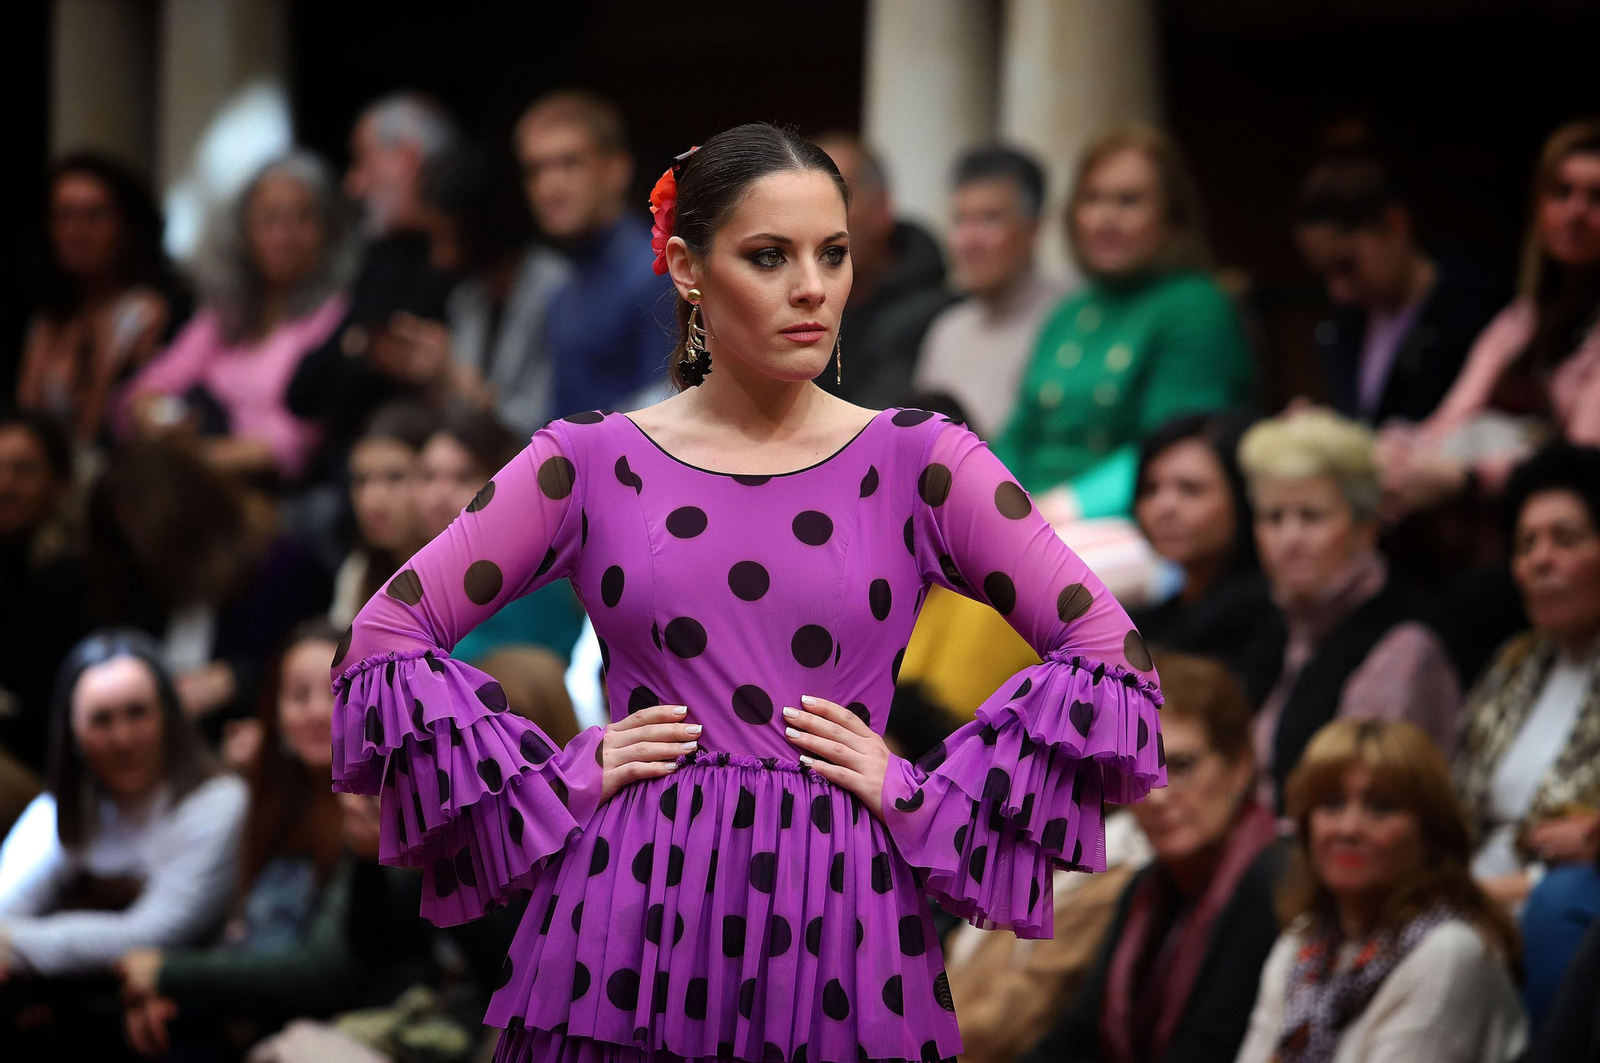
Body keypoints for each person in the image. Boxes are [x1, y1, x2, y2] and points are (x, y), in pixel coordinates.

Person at [328, 123, 1166, 1063]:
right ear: (688, 267)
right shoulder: (588, 460)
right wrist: (561, 777)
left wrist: (918, 794)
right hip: (631, 905)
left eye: (833, 253)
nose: (812, 287)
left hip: (838, 906)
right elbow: (383, 635)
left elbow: (1111, 654)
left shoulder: (921, 460)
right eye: (770, 256)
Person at [114, 620, 418, 1059]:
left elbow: (320, 973)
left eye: (336, 693)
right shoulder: (271, 800)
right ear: (275, 712)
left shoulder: (382, 805)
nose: (317, 712)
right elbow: (239, 934)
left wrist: (169, 974)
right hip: (252, 1019)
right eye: (298, 696)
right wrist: (173, 996)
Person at [1022, 654, 1282, 1063]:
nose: (1157, 797)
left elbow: (1205, 1052)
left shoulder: (1273, 881)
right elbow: (1075, 1040)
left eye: (1181, 766)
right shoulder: (1143, 887)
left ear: (1239, 768)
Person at [0, 631, 247, 1054]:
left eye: (138, 713)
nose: (122, 738)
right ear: (73, 731)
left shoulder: (218, 802)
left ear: (169, 716)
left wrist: (16, 946)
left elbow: (154, 932)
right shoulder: (61, 808)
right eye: (101, 720)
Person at [993, 124, 1254, 525]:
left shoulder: (1196, 306)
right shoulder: (1068, 313)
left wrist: (1055, 511)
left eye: (1128, 201)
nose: (1106, 218)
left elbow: (1173, 449)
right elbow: (1019, 434)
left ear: (1171, 218)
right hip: (1031, 517)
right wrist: (990, 501)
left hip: (1132, 521)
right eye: (1092, 199)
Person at [1236, 720, 1525, 1063]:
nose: (1349, 828)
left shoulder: (1449, 954)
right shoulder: (1300, 943)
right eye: (1331, 804)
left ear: (1431, 831)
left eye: (1381, 807)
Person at [1237, 409, 1459, 810]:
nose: (1289, 538)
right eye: (1273, 517)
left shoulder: (1403, 644)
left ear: (1364, 529)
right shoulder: (1276, 624)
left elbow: (1362, 810)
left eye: (1311, 516)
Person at [1380, 118, 1600, 518]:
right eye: (1561, 192)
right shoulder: (1520, 321)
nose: (1575, 212)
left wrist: (1471, 478)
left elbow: (1583, 463)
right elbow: (1447, 423)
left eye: (1596, 197)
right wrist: (1371, 451)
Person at [1449, 446, 1600, 1023]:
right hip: (1473, 888)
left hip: (1553, 901)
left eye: (1566, 539)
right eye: (1526, 544)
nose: (1541, 560)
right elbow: (1456, 805)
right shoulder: (1512, 665)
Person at [120, 151, 352, 487]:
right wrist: (152, 414)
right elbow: (153, 384)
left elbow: (295, 445)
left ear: (330, 230)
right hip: (193, 470)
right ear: (243, 232)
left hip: (270, 490)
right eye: (269, 219)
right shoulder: (226, 309)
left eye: (303, 218)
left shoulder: (336, 315)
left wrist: (196, 456)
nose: (284, 237)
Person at [83, 443, 332, 738]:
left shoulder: (281, 568)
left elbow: (313, 671)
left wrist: (235, 680)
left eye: (142, 531)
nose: (135, 546)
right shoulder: (133, 582)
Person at [286, 92, 460, 490]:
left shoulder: (454, 261)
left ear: (406, 160)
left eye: (362, 162)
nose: (353, 185)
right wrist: (364, 346)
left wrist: (357, 345)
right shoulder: (383, 256)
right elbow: (302, 392)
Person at [1293, 144, 1505, 426]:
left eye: (1346, 265)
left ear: (1395, 225)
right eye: (1325, 273)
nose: (1337, 290)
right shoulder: (1347, 324)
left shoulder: (1474, 305)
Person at [414, 402, 585, 741]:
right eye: (428, 476)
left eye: (463, 477)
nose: (439, 494)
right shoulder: (403, 571)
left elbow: (538, 693)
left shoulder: (540, 582)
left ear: (503, 483)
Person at [513, 89, 671, 416]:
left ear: (617, 169)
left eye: (570, 163)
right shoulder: (560, 290)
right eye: (536, 169)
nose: (550, 185)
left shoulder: (658, 272)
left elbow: (670, 406)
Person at [16, 153, 187, 450]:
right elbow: (26, 421)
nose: (76, 232)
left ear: (127, 226)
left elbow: (98, 426)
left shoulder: (148, 311)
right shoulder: (48, 317)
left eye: (94, 216)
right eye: (64, 216)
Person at [1129, 412, 1285, 706]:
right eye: (1150, 489)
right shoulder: (1146, 623)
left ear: (1243, 498)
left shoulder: (1272, 617)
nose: (1164, 506)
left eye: (1191, 489)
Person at [912, 146, 1067, 440]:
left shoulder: (1069, 319)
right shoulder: (946, 332)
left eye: (989, 219)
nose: (970, 240)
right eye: (960, 220)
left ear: (1034, 228)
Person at [419, 144, 570, 436]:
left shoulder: (556, 290)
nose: (438, 259)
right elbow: (455, 417)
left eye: (447, 239)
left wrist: (461, 382)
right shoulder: (466, 298)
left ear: (483, 227)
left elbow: (546, 420)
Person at [812, 133, 953, 411]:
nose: (811, 220)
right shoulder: (802, 302)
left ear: (881, 208)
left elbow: (876, 419)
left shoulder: (936, 318)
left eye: (833, 199)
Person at [0, 409, 88, 777]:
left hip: (38, 767)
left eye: (23, 470)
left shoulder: (72, 574)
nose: (4, 485)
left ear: (59, 482)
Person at [328, 402, 436, 628]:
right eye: (361, 480)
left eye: (395, 477)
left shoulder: (465, 569)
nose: (371, 501)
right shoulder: (358, 571)